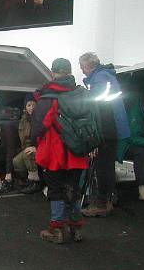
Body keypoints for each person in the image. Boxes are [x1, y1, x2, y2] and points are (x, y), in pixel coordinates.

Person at [31, 58, 88, 244]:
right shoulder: (81, 93)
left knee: (55, 190)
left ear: (53, 73)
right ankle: (76, 227)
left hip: (54, 153)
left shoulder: (48, 97)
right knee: (74, 188)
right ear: (70, 72)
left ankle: (57, 230)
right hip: (77, 151)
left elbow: (38, 128)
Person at [79, 52, 130, 217]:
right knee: (107, 165)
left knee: (103, 167)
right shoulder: (105, 76)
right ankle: (107, 199)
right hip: (113, 127)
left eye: (82, 66)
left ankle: (102, 202)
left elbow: (96, 105)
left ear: (88, 66)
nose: (82, 70)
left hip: (107, 128)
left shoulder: (100, 79)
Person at [13, 94, 40, 194]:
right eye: (29, 105)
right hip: (26, 147)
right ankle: (26, 181)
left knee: (27, 154)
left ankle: (35, 182)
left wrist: (36, 147)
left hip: (38, 148)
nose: (32, 107)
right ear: (25, 107)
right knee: (16, 161)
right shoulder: (23, 120)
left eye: (34, 104)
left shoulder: (39, 119)